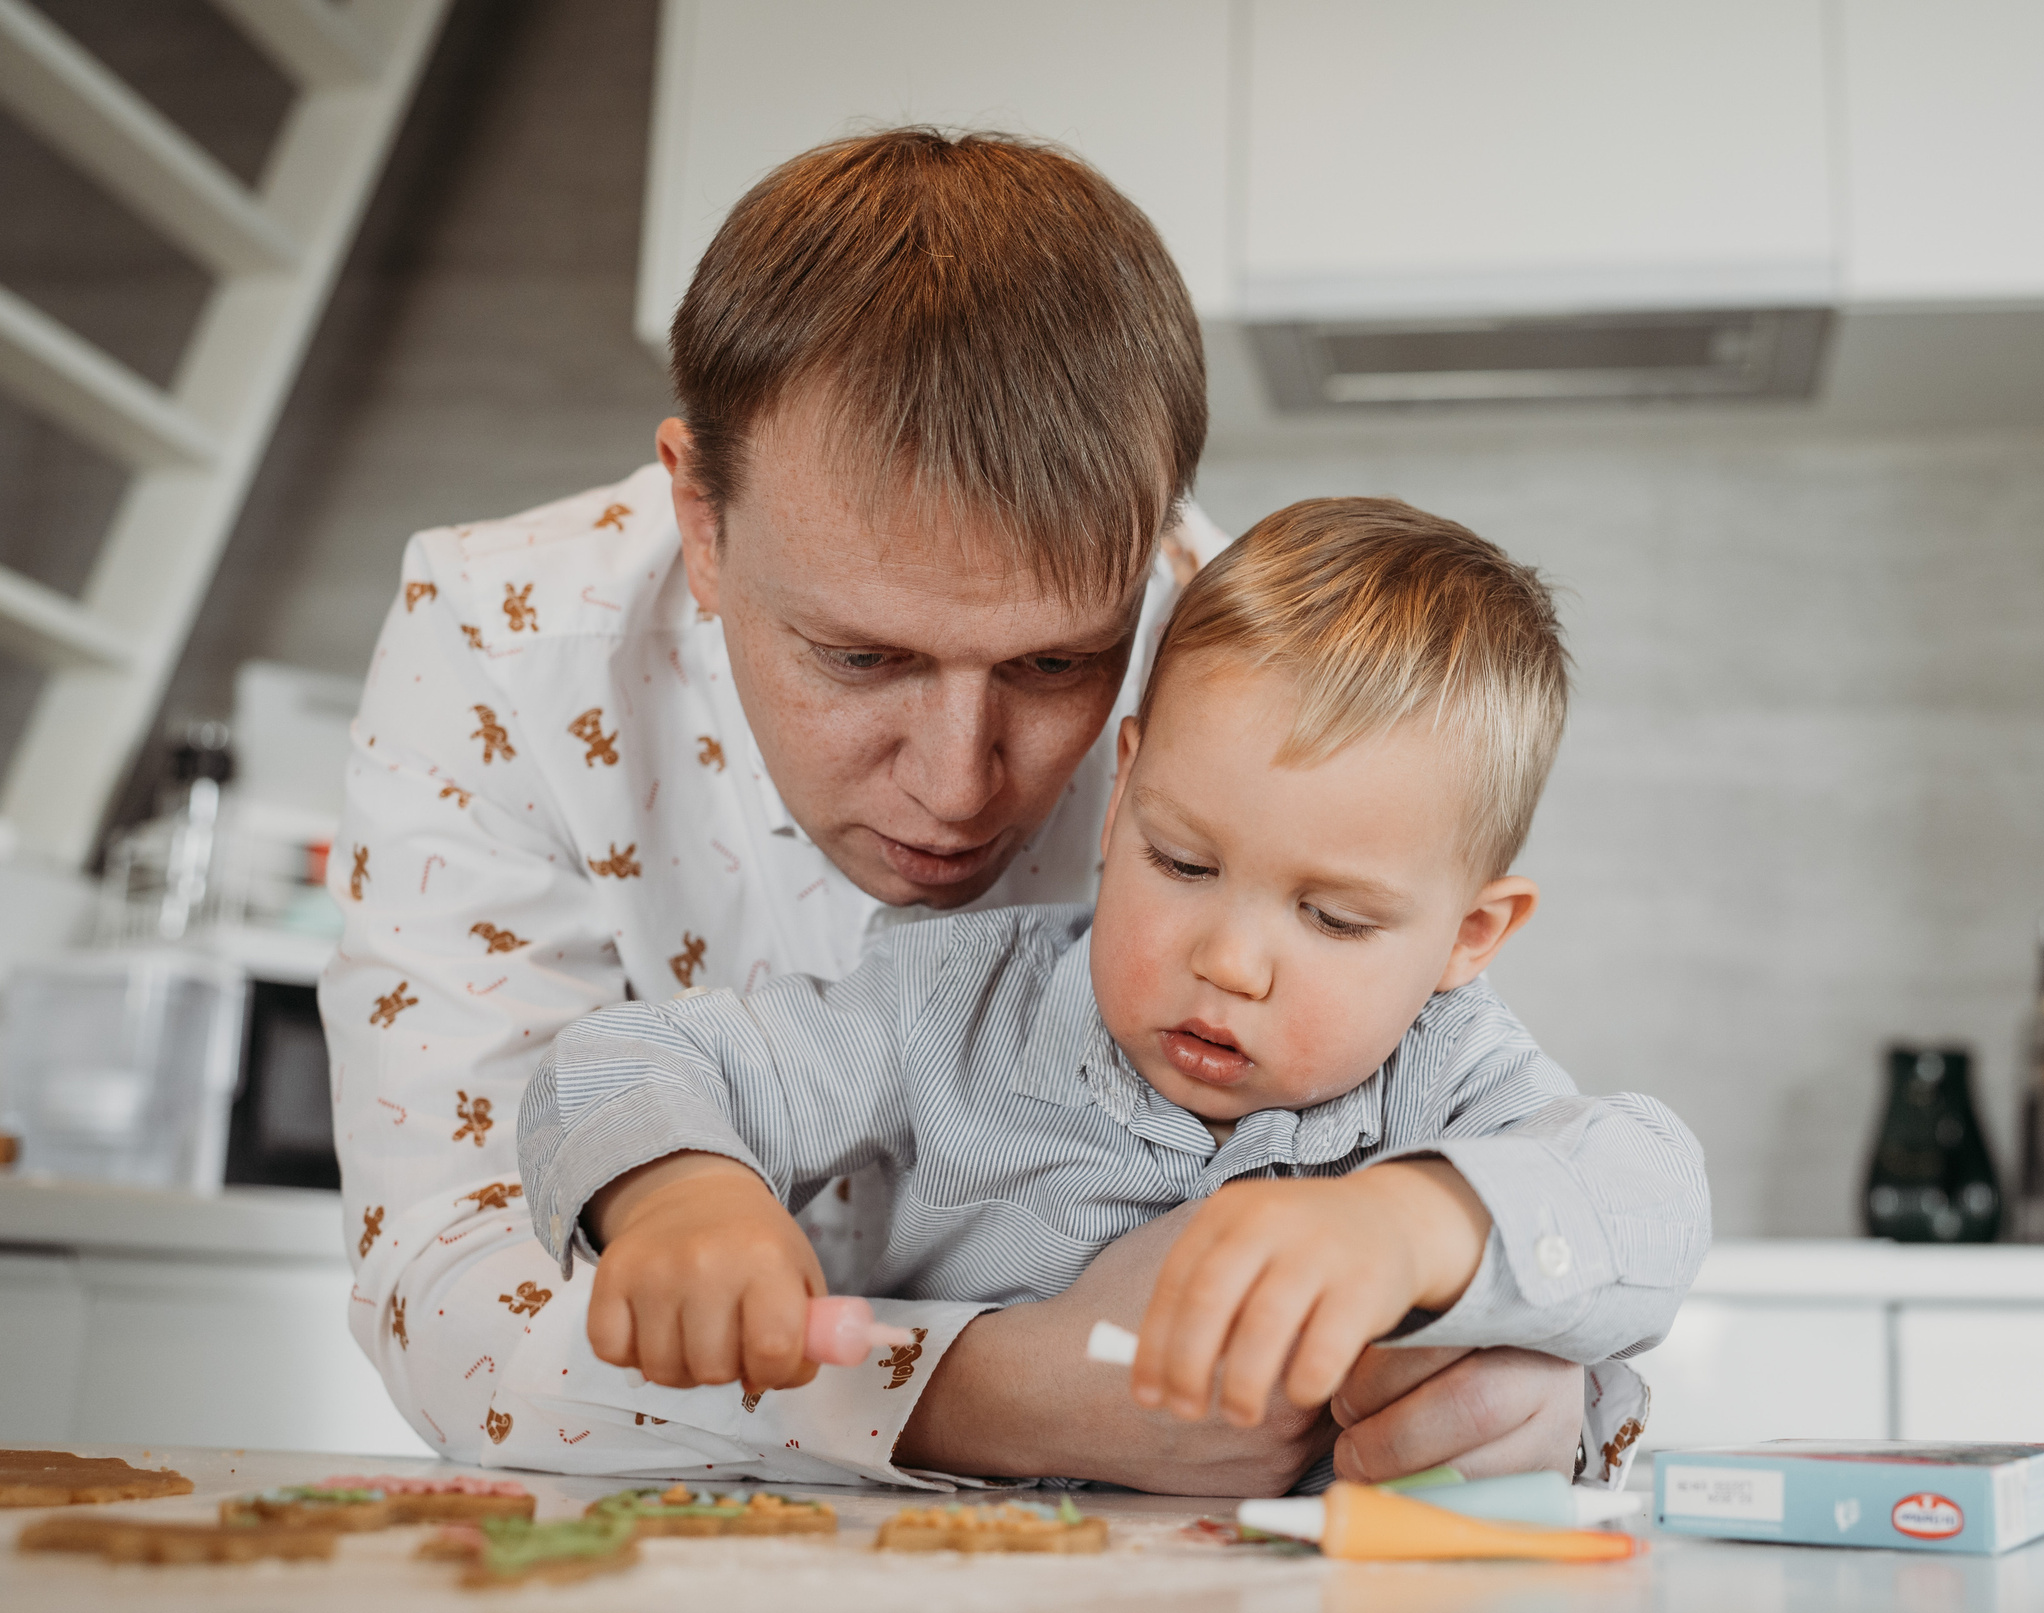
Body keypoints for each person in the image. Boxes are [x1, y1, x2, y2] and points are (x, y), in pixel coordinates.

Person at [324, 128, 1641, 1492]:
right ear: (702, 517)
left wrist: (1533, 1397)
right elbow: (453, 1286)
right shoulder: (498, 639)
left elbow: (1552, 1184)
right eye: (858, 656)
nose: (959, 787)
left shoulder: (1237, 664)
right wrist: (996, 1391)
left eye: (1055, 665)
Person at [509, 500, 1710, 1492]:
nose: (1230, 962)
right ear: (1125, 787)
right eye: (1182, 864)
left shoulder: (1451, 1076)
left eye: (1334, 918)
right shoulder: (951, 1006)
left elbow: (1652, 1192)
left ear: (1471, 935)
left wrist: (1414, 1228)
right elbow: (617, 1061)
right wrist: (677, 1198)